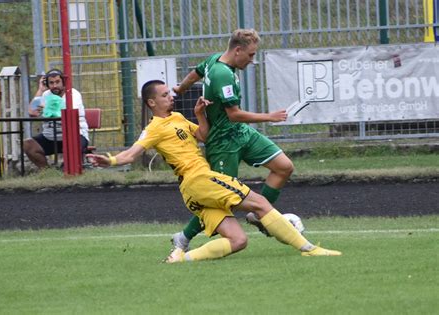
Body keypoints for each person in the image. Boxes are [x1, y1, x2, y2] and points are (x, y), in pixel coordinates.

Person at [87, 80, 341, 263]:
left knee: (238, 241)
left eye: (169, 93)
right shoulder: (154, 128)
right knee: (261, 203)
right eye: (165, 94)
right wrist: (108, 161)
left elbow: (203, 136)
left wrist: (200, 115)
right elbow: (131, 154)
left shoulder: (177, 118)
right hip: (199, 179)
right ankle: (308, 248)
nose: (171, 96)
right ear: (152, 102)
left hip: (192, 190)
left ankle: (180, 259)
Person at [171, 28, 295, 250]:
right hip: (223, 142)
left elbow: (195, 74)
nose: (252, 60)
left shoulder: (213, 60)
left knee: (284, 167)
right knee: (220, 198)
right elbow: (234, 114)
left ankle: (258, 216)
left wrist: (180, 89)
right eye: (251, 55)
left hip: (242, 133)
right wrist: (270, 117)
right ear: (238, 50)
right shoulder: (223, 74)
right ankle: (183, 236)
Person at [23, 69, 89, 169]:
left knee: (72, 147)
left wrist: (46, 108)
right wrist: (41, 90)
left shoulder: (73, 94)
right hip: (50, 136)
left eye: (57, 82)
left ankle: (71, 171)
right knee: (28, 144)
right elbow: (32, 112)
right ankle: (47, 172)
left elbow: (66, 113)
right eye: (51, 83)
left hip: (74, 135)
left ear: (63, 82)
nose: (54, 86)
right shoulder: (45, 94)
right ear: (47, 84)